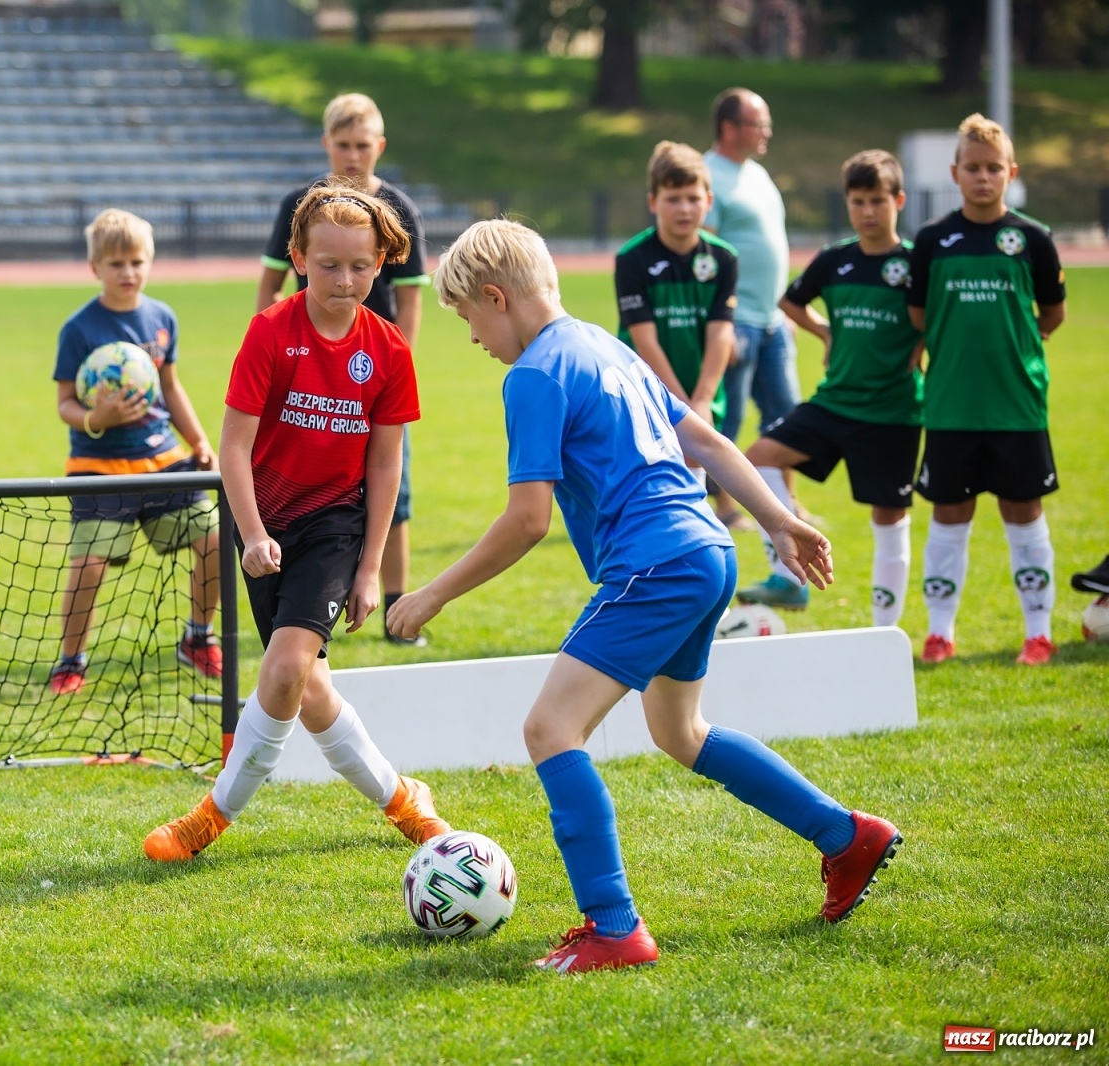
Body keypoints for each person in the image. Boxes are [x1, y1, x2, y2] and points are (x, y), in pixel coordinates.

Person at [388, 220, 901, 973]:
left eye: (468, 317)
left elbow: (528, 520)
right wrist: (779, 521)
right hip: (708, 552)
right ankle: (845, 837)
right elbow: (710, 443)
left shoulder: (531, 375)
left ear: (496, 297)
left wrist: (431, 593)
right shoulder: (602, 343)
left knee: (549, 729)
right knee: (679, 730)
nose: (472, 337)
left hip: (655, 565)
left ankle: (613, 927)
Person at [144, 185, 449, 862]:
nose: (345, 280)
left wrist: (370, 568)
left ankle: (211, 815)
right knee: (307, 689)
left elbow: (386, 466)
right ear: (299, 258)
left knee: (284, 667)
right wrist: (252, 534)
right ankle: (405, 799)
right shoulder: (270, 332)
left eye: (361, 266)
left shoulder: (390, 350)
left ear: (381, 266)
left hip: (335, 527)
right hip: (264, 525)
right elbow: (231, 447)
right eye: (330, 264)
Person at [258, 92, 430, 646]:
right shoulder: (298, 205)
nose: (353, 156)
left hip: (368, 375)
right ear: (327, 145)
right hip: (307, 368)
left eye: (363, 146)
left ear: (379, 147)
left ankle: (397, 610)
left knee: (391, 489)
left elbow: (410, 301)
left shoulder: (400, 209)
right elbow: (270, 284)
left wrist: (396, 366)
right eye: (343, 145)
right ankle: (293, 594)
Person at [907, 114, 1068, 666]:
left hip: (1017, 406)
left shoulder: (1032, 239)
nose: (983, 177)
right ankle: (939, 633)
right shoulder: (932, 240)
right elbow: (918, 314)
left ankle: (1038, 633)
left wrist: (1016, 349)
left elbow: (1053, 312)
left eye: (993, 168)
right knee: (949, 517)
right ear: (955, 172)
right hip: (950, 404)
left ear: (1011, 173)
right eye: (972, 168)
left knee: (1023, 515)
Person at [737, 150, 923, 620]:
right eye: (858, 201)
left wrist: (923, 346)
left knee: (889, 517)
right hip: (834, 403)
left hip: (892, 411)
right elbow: (790, 300)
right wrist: (825, 331)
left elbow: (938, 318)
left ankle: (886, 627)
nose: (867, 211)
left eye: (878, 201)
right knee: (758, 458)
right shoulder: (836, 259)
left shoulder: (917, 264)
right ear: (847, 203)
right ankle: (786, 576)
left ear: (898, 200)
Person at [48, 209, 222, 695]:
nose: (128, 272)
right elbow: (64, 401)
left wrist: (199, 441)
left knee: (213, 545)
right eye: (116, 263)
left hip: (163, 460)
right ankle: (71, 659)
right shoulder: (79, 329)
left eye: (137, 261)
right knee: (89, 566)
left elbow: (171, 386)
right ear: (94, 268)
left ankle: (198, 636)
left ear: (151, 262)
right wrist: (93, 419)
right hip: (98, 467)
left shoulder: (162, 318)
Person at [705, 87, 804, 528]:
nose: (766, 132)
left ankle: (787, 506)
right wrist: (717, 327)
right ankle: (723, 509)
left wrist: (780, 308)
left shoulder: (757, 174)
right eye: (757, 123)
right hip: (735, 322)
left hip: (771, 321)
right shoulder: (708, 176)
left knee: (788, 420)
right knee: (729, 419)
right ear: (729, 128)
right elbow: (704, 259)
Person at [614, 141, 737, 488]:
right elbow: (644, 338)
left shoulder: (724, 259)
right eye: (673, 199)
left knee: (695, 470)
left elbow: (720, 333)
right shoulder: (632, 258)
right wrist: (681, 403)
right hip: (645, 390)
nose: (684, 208)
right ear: (653, 202)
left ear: (708, 202)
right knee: (647, 483)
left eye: (693, 198)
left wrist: (702, 399)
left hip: (702, 390)